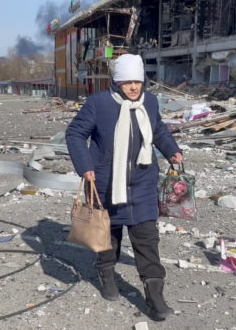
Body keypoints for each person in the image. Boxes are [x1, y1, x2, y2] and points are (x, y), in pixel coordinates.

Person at [65, 54, 183, 321]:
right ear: (116, 82)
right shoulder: (99, 103)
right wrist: (85, 165)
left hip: (142, 183)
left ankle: (155, 297)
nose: (133, 87)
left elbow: (159, 130)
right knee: (108, 236)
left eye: (137, 81)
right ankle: (106, 274)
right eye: (127, 82)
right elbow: (74, 133)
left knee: (147, 240)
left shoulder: (150, 102)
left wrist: (172, 150)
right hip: (106, 183)